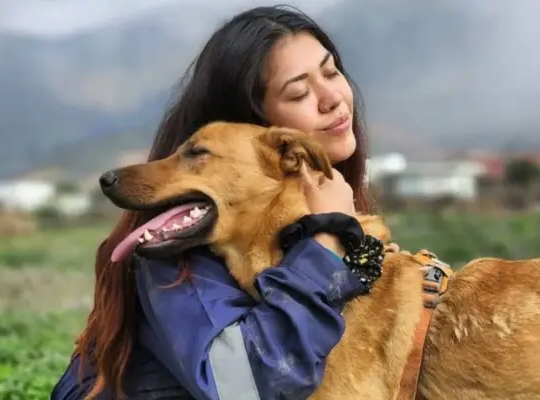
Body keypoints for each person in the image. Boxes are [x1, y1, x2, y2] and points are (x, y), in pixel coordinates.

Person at [51, 5, 388, 400]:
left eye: (331, 72)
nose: (333, 97)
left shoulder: (300, 226)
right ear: (248, 125)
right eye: (298, 92)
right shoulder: (180, 259)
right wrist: (326, 242)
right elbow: (248, 385)